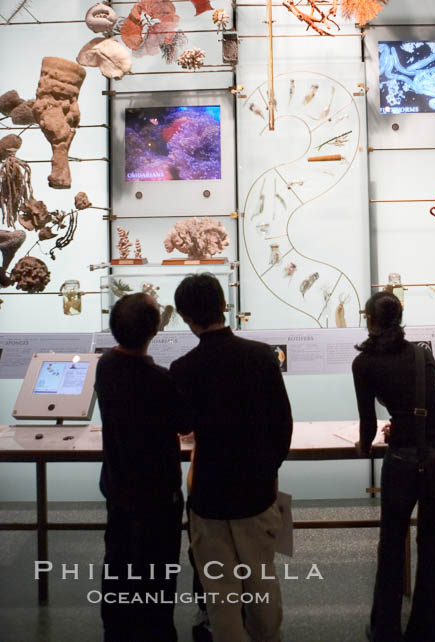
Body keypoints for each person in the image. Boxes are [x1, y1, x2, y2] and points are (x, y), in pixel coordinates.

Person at [170, 273, 293, 642]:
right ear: (224, 305)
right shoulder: (261, 355)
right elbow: (282, 425)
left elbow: (183, 424)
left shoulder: (183, 368)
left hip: (209, 493)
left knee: (220, 594)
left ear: (185, 316)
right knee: (262, 580)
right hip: (256, 491)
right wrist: (268, 470)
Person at [352, 291, 435, 642]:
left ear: (370, 320)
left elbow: (368, 425)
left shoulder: (364, 363)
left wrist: (363, 445)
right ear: (399, 319)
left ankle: (385, 629)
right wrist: (403, 422)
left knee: (391, 544)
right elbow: (430, 402)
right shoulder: (422, 353)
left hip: (404, 457)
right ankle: (427, 630)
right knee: (432, 542)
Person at [95, 292, 185, 642]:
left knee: (117, 563)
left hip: (119, 489)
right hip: (158, 494)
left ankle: (116, 630)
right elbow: (183, 421)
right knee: (159, 571)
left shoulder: (105, 366)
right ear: (154, 330)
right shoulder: (161, 380)